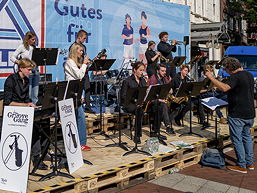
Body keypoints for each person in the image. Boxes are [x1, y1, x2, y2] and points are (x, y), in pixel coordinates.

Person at [205, 57, 255, 173]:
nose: (225, 71)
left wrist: (211, 77)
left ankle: (241, 165)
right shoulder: (248, 74)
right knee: (247, 138)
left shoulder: (235, 77)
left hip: (237, 113)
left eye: (225, 68)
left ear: (229, 68)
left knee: (237, 139)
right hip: (250, 112)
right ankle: (249, 163)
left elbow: (224, 88)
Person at [4, 58, 48, 170]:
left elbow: (26, 99)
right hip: (13, 113)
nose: (30, 72)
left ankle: (40, 154)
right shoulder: (11, 80)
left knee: (44, 123)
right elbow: (8, 103)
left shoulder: (27, 80)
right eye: (28, 70)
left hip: (24, 111)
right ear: (21, 68)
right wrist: (26, 105)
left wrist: (31, 105)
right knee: (34, 128)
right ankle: (36, 158)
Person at [64, 43, 91, 151]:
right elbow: (79, 75)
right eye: (80, 51)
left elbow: (80, 81)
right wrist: (84, 64)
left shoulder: (75, 63)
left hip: (76, 93)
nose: (82, 53)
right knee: (76, 118)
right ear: (75, 51)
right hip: (70, 93)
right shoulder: (69, 62)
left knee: (80, 117)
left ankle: (81, 143)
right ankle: (77, 143)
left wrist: (82, 94)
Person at [171, 64, 209, 129]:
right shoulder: (176, 77)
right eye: (185, 70)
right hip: (177, 97)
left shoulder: (186, 78)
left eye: (187, 71)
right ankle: (178, 118)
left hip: (185, 96)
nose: (187, 72)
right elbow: (177, 89)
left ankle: (203, 120)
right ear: (181, 70)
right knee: (190, 104)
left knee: (199, 101)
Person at [120, 61, 146, 144]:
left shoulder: (143, 80)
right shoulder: (127, 81)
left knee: (157, 106)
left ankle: (156, 132)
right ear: (135, 70)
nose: (142, 73)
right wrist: (135, 101)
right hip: (129, 104)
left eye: (143, 70)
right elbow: (123, 96)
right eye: (140, 70)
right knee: (139, 110)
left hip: (139, 103)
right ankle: (137, 135)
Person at [11, 31, 39, 105]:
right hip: (27, 71)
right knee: (28, 92)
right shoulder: (22, 46)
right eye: (32, 39)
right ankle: (28, 108)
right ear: (28, 39)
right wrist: (20, 62)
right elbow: (12, 57)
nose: (34, 41)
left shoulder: (34, 47)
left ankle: (34, 109)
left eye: (35, 39)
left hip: (35, 70)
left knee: (35, 92)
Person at [148, 64, 176, 139]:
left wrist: (170, 89)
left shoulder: (165, 79)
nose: (164, 72)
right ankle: (167, 126)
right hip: (153, 102)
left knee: (175, 104)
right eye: (162, 71)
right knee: (162, 105)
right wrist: (160, 100)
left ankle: (159, 126)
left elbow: (170, 89)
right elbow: (150, 95)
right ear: (157, 71)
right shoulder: (153, 79)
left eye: (165, 71)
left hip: (162, 100)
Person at [69, 30, 93, 113]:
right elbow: (72, 59)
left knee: (88, 88)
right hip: (77, 71)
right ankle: (76, 107)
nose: (85, 40)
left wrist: (87, 63)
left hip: (84, 70)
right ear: (79, 37)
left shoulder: (84, 47)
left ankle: (88, 107)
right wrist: (80, 65)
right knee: (77, 90)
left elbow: (83, 58)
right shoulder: (73, 47)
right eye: (84, 38)